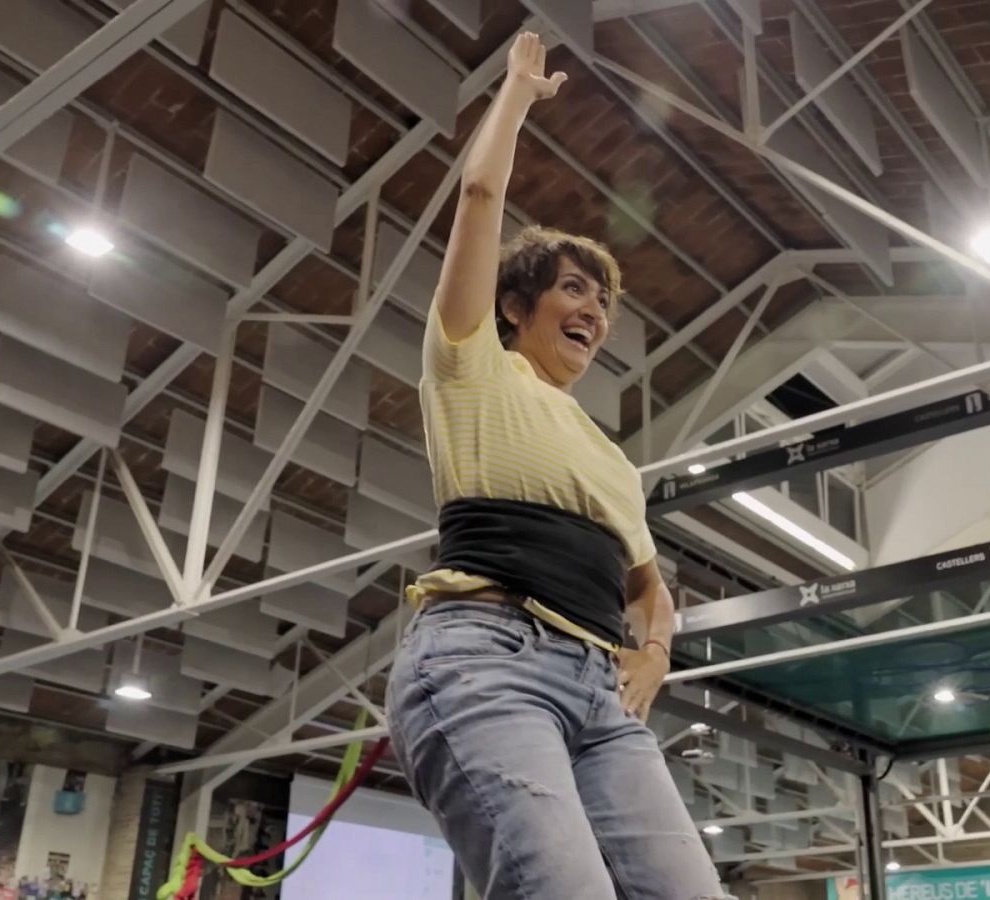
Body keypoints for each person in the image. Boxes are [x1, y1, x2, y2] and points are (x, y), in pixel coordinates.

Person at [383, 30, 729, 900]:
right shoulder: (472, 366)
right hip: (483, 656)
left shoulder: (611, 460)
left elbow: (650, 586)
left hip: (601, 692)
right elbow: (479, 192)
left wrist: (653, 652)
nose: (594, 311)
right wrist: (517, 97)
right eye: (574, 289)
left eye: (604, 301)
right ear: (515, 305)